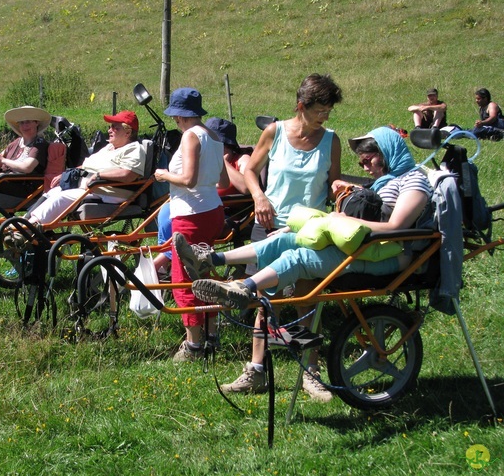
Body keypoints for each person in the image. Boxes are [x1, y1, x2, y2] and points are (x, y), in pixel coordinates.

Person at [174, 126, 433, 396]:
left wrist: (341, 218)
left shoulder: (412, 180)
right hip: (350, 244)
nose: (365, 167)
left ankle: (309, 368)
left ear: (387, 152)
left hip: (384, 255)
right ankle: (210, 260)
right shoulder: (382, 180)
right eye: (361, 162)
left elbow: (396, 226)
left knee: (301, 280)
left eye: (369, 160)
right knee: (283, 245)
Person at [183, 73, 343, 399]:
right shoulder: (276, 132)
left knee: (305, 301)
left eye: (328, 111)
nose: (324, 117)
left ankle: (310, 372)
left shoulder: (331, 140)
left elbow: (333, 184)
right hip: (269, 223)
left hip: (307, 230)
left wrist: (341, 193)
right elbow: (250, 170)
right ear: (301, 106)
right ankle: (256, 372)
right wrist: (259, 197)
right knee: (262, 301)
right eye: (319, 111)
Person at [153, 88, 229, 362]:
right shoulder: (215, 136)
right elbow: (225, 183)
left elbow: (188, 180)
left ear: (178, 115)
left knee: (183, 278)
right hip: (212, 212)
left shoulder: (190, 136)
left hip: (190, 215)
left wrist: (164, 174)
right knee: (205, 271)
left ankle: (194, 344)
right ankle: (211, 334)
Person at [152, 117, 253, 273]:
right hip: (201, 206)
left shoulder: (241, 159)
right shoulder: (202, 154)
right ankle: (167, 262)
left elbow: (246, 187)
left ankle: (160, 264)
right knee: (166, 212)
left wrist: (219, 160)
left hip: (229, 213)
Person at [21, 110, 146, 226]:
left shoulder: (133, 148)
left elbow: (128, 174)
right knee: (53, 192)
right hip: (93, 187)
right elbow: (87, 165)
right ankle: (25, 221)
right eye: (110, 127)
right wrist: (66, 174)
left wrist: (99, 175)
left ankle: (30, 228)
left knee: (61, 197)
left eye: (115, 128)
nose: (109, 130)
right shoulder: (109, 147)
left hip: (109, 191)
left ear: (128, 132)